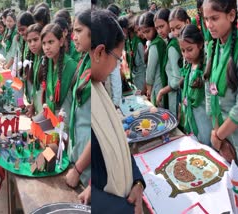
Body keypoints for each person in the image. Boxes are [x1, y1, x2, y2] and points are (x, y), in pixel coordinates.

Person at [91, 10, 145, 214]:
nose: (117, 65)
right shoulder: (87, 95)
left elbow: (119, 143)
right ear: (98, 53)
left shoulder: (99, 89)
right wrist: (126, 209)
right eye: (116, 57)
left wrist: (138, 182)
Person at [203, 0, 238, 175]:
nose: (209, 25)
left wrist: (218, 137)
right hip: (220, 133)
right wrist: (219, 138)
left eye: (214, 18)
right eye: (206, 19)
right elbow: (209, 93)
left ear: (231, 15)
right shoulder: (213, 46)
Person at [65, 9, 91, 190]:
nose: (74, 36)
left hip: (87, 168)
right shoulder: (85, 62)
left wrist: (79, 169)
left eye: (79, 31)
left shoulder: (96, 70)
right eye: (74, 31)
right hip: (78, 156)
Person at [179, 24, 212, 146]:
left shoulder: (206, 69)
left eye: (190, 49)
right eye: (183, 51)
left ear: (200, 45)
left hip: (205, 125)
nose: (186, 55)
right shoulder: (188, 66)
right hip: (192, 123)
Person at [39, 23, 77, 123]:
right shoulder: (48, 63)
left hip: (65, 119)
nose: (46, 47)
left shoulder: (71, 66)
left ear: (61, 42)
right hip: (51, 117)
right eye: (44, 43)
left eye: (51, 42)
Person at [154, 8, 182, 118]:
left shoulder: (172, 47)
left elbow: (177, 79)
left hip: (176, 96)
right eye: (157, 28)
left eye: (162, 26)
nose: (160, 31)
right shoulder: (173, 42)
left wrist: (162, 91)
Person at [139, 11, 167, 107]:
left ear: (154, 28)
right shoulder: (155, 42)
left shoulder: (156, 44)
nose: (146, 35)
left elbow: (150, 71)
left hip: (157, 84)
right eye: (143, 32)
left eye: (148, 31)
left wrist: (149, 88)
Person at [24, 23, 44, 117]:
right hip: (39, 109)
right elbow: (36, 87)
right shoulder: (36, 58)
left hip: (45, 111)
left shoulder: (48, 59)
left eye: (35, 40)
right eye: (29, 41)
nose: (32, 44)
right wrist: (33, 104)